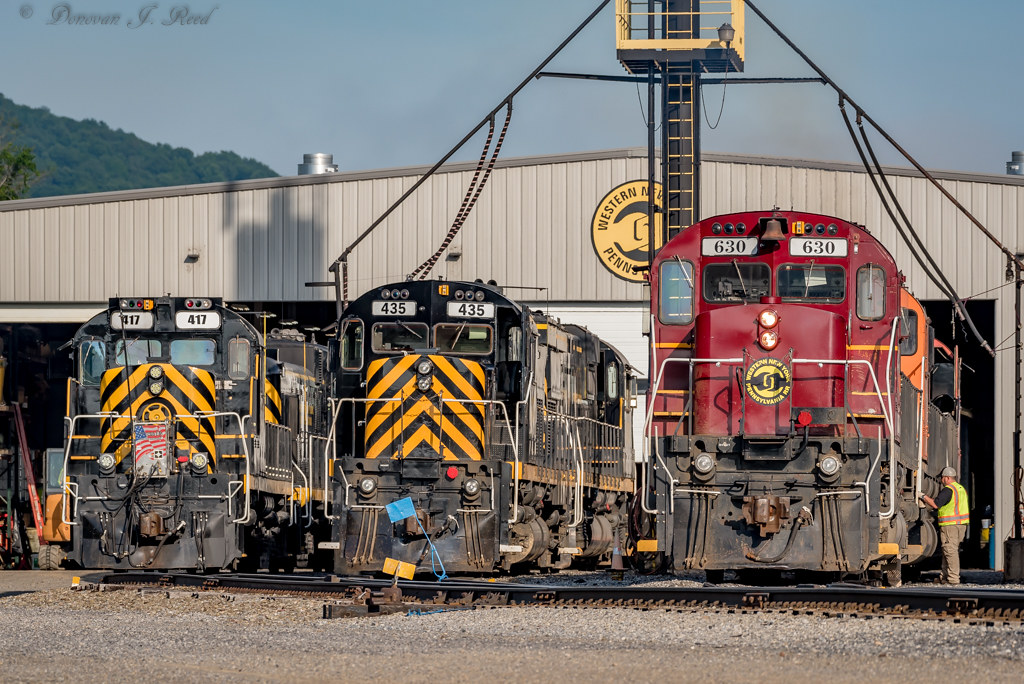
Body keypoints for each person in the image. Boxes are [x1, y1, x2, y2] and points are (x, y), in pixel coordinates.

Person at [920, 466, 970, 584]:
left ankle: (953, 578)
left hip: (950, 525)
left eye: (942, 478)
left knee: (950, 550)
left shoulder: (948, 489)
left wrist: (922, 496)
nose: (941, 481)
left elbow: (936, 504)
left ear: (947, 478)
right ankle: (945, 576)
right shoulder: (961, 489)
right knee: (948, 550)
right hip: (961, 524)